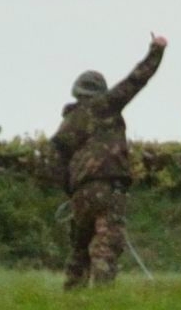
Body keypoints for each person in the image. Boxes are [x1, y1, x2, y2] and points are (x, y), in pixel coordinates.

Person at [51, 34, 165, 290]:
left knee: (80, 248)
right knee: (106, 246)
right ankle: (103, 300)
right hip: (109, 186)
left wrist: (70, 189)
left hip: (80, 193)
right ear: (100, 92)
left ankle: (71, 298)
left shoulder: (68, 123)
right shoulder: (106, 106)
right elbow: (136, 80)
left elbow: (56, 159)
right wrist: (156, 50)